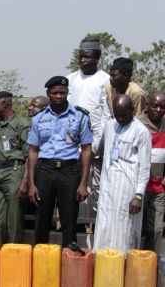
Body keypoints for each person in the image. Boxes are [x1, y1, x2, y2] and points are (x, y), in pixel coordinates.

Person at [28, 76, 93, 246]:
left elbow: (86, 150)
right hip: (45, 171)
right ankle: (42, 259)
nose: (58, 96)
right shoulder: (38, 118)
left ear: (67, 93)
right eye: (54, 92)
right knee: (42, 219)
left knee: (69, 220)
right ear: (48, 94)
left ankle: (69, 259)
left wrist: (83, 183)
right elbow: (33, 151)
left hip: (69, 172)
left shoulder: (80, 116)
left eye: (62, 92)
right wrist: (31, 183)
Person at [92, 95, 151, 252]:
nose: (119, 119)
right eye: (116, 115)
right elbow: (96, 148)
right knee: (104, 226)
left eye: (123, 115)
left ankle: (121, 267)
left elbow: (145, 167)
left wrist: (138, 196)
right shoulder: (110, 125)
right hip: (107, 186)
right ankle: (101, 265)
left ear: (131, 110)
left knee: (124, 230)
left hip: (128, 189)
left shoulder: (141, 132)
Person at [67, 38, 112, 218]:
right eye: (81, 57)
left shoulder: (105, 80)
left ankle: (94, 225)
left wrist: (95, 146)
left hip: (96, 144)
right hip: (72, 144)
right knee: (74, 185)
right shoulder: (71, 79)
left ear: (97, 58)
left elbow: (106, 115)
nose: (83, 60)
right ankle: (76, 224)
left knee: (97, 186)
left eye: (87, 57)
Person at [0, 91, 31, 245]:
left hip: (15, 172)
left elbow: (29, 155)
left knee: (14, 221)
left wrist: (25, 181)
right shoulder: (0, 125)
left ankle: (14, 256)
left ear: (5, 104)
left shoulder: (22, 124)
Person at [140, 91, 165, 251]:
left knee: (155, 230)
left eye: (162, 106)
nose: (158, 109)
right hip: (139, 188)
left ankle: (151, 268)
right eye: (154, 105)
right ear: (147, 106)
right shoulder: (137, 124)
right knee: (135, 230)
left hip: (158, 189)